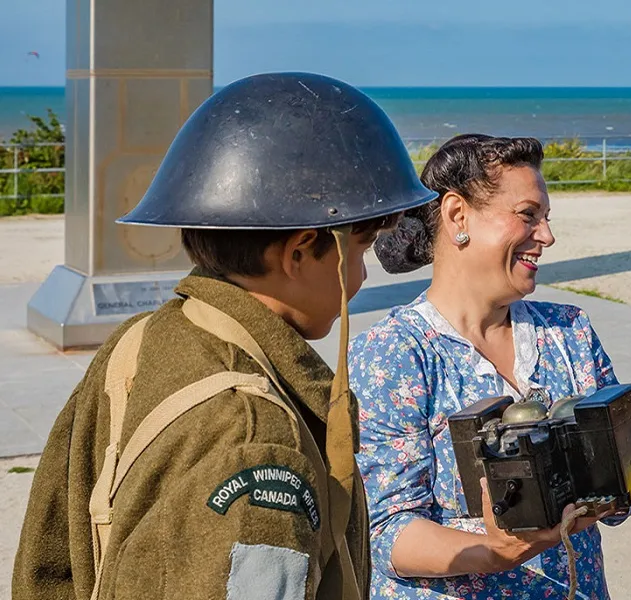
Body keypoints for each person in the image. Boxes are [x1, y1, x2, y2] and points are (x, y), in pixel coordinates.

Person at [11, 72, 436, 600]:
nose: (362, 275)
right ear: (300, 251)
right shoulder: (255, 441)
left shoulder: (140, 341)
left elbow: (51, 555)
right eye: (359, 249)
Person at [351, 134, 630, 600]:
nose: (546, 236)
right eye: (528, 215)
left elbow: (624, 490)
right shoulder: (392, 354)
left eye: (545, 218)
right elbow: (385, 532)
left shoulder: (570, 333)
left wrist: (615, 481)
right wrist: (495, 552)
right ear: (458, 215)